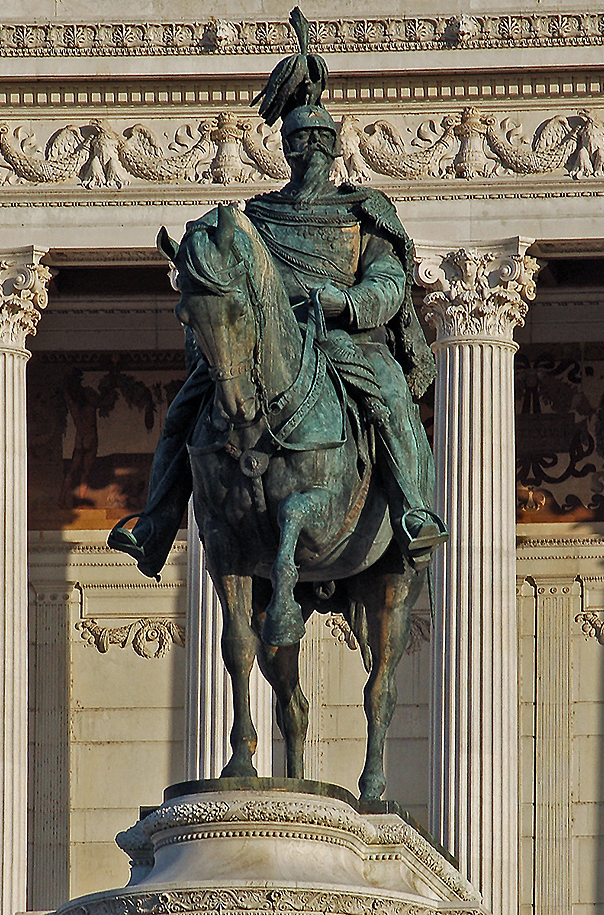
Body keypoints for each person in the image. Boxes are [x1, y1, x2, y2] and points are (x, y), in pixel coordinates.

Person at [109, 9, 446, 578]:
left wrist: (350, 302)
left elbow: (389, 285)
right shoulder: (257, 218)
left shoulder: (361, 212)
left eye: (317, 140)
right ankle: (158, 521)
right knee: (183, 413)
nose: (308, 151)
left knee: (388, 391)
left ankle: (413, 510)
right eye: (298, 142)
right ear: (286, 150)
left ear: (333, 146)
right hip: (263, 346)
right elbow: (228, 289)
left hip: (341, 340)